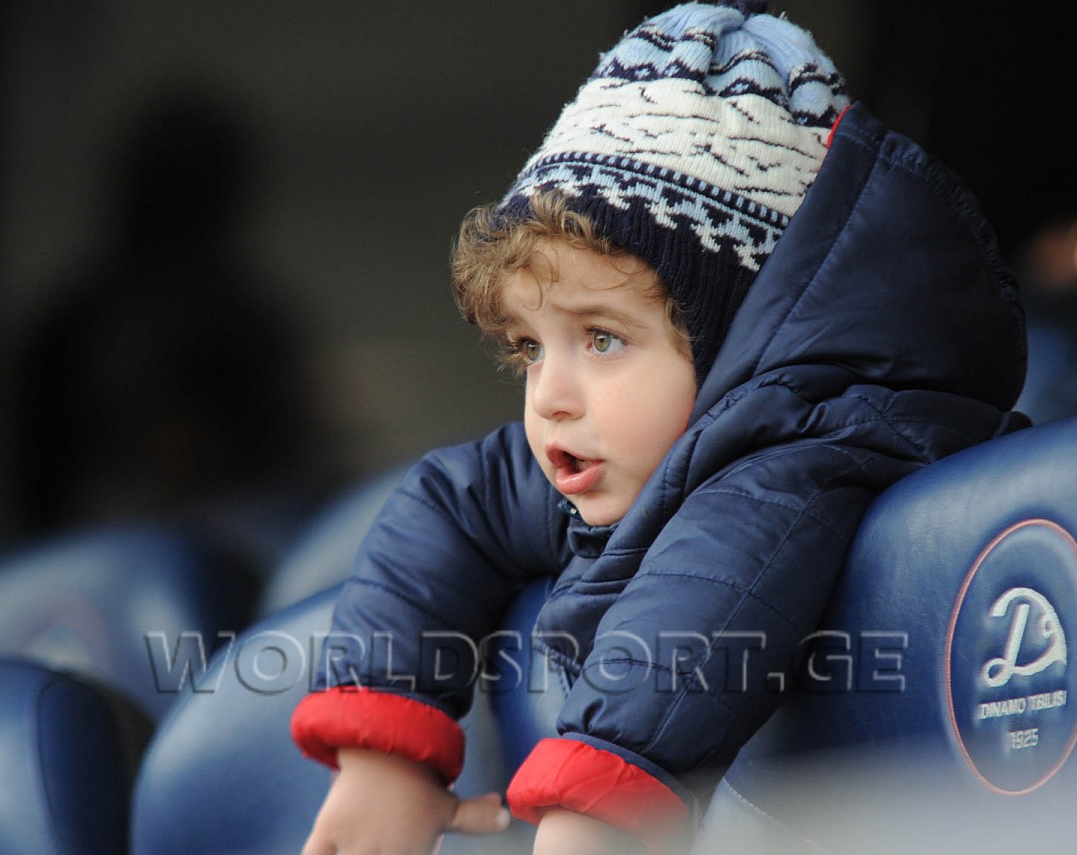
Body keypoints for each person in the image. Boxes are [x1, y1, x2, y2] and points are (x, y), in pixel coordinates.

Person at [290, 2, 1028, 853]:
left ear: (735, 339)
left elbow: (706, 594)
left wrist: (592, 810)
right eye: (531, 347)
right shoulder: (617, 451)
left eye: (602, 339)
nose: (550, 396)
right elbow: (455, 501)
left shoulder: (803, 455)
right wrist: (384, 750)